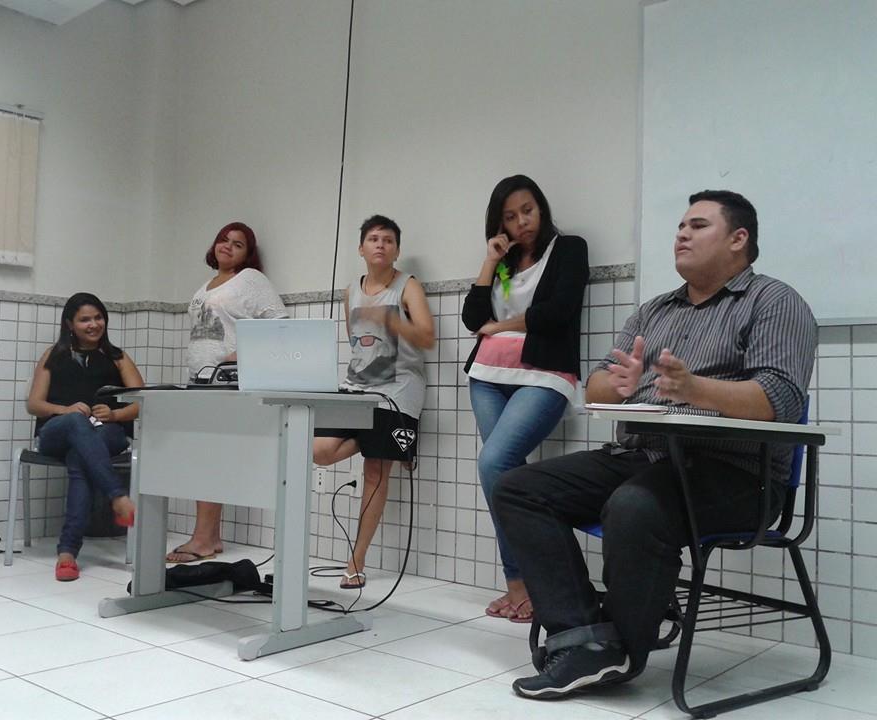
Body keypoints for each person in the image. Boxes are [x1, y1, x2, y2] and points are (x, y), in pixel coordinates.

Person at [494, 190, 816, 699]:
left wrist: (695, 389)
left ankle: (622, 648)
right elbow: (597, 384)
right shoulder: (654, 310)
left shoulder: (774, 302)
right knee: (517, 488)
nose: (682, 234)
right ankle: (584, 638)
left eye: (698, 225)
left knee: (636, 505)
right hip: (643, 456)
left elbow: (781, 399)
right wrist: (617, 386)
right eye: (680, 226)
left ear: (739, 239)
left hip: (737, 474)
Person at [461, 175, 589, 622]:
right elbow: (472, 318)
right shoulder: (504, 263)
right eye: (510, 216)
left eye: (528, 211)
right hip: (487, 376)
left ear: (542, 208)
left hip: (544, 375)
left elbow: (559, 311)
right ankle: (523, 585)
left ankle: (527, 582)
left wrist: (501, 326)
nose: (521, 222)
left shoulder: (569, 249)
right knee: (504, 474)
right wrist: (489, 261)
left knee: (494, 463)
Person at [313, 215, 434, 588]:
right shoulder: (351, 290)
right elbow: (356, 340)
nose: (381, 244)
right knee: (320, 451)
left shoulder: (407, 286)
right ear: (361, 248)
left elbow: (427, 337)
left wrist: (394, 322)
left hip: (397, 388)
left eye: (388, 240)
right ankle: (396, 446)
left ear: (396, 250)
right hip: (356, 386)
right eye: (374, 239)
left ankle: (356, 560)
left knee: (374, 471)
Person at [166, 221, 288, 563]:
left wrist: (241, 354)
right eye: (224, 240)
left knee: (210, 455)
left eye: (238, 244)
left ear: (248, 254)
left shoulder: (251, 280)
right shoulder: (205, 286)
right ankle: (211, 536)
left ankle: (202, 539)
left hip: (227, 381)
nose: (228, 246)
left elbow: (280, 323)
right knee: (204, 455)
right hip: (200, 380)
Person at [26, 293, 142, 582]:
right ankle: (117, 496)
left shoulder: (117, 357)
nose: (94, 324)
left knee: (81, 456)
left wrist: (115, 414)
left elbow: (144, 403)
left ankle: (67, 553)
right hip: (57, 432)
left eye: (98, 317)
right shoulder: (53, 355)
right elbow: (34, 404)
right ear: (70, 324)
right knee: (77, 423)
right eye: (85, 320)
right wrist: (65, 410)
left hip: (106, 431)